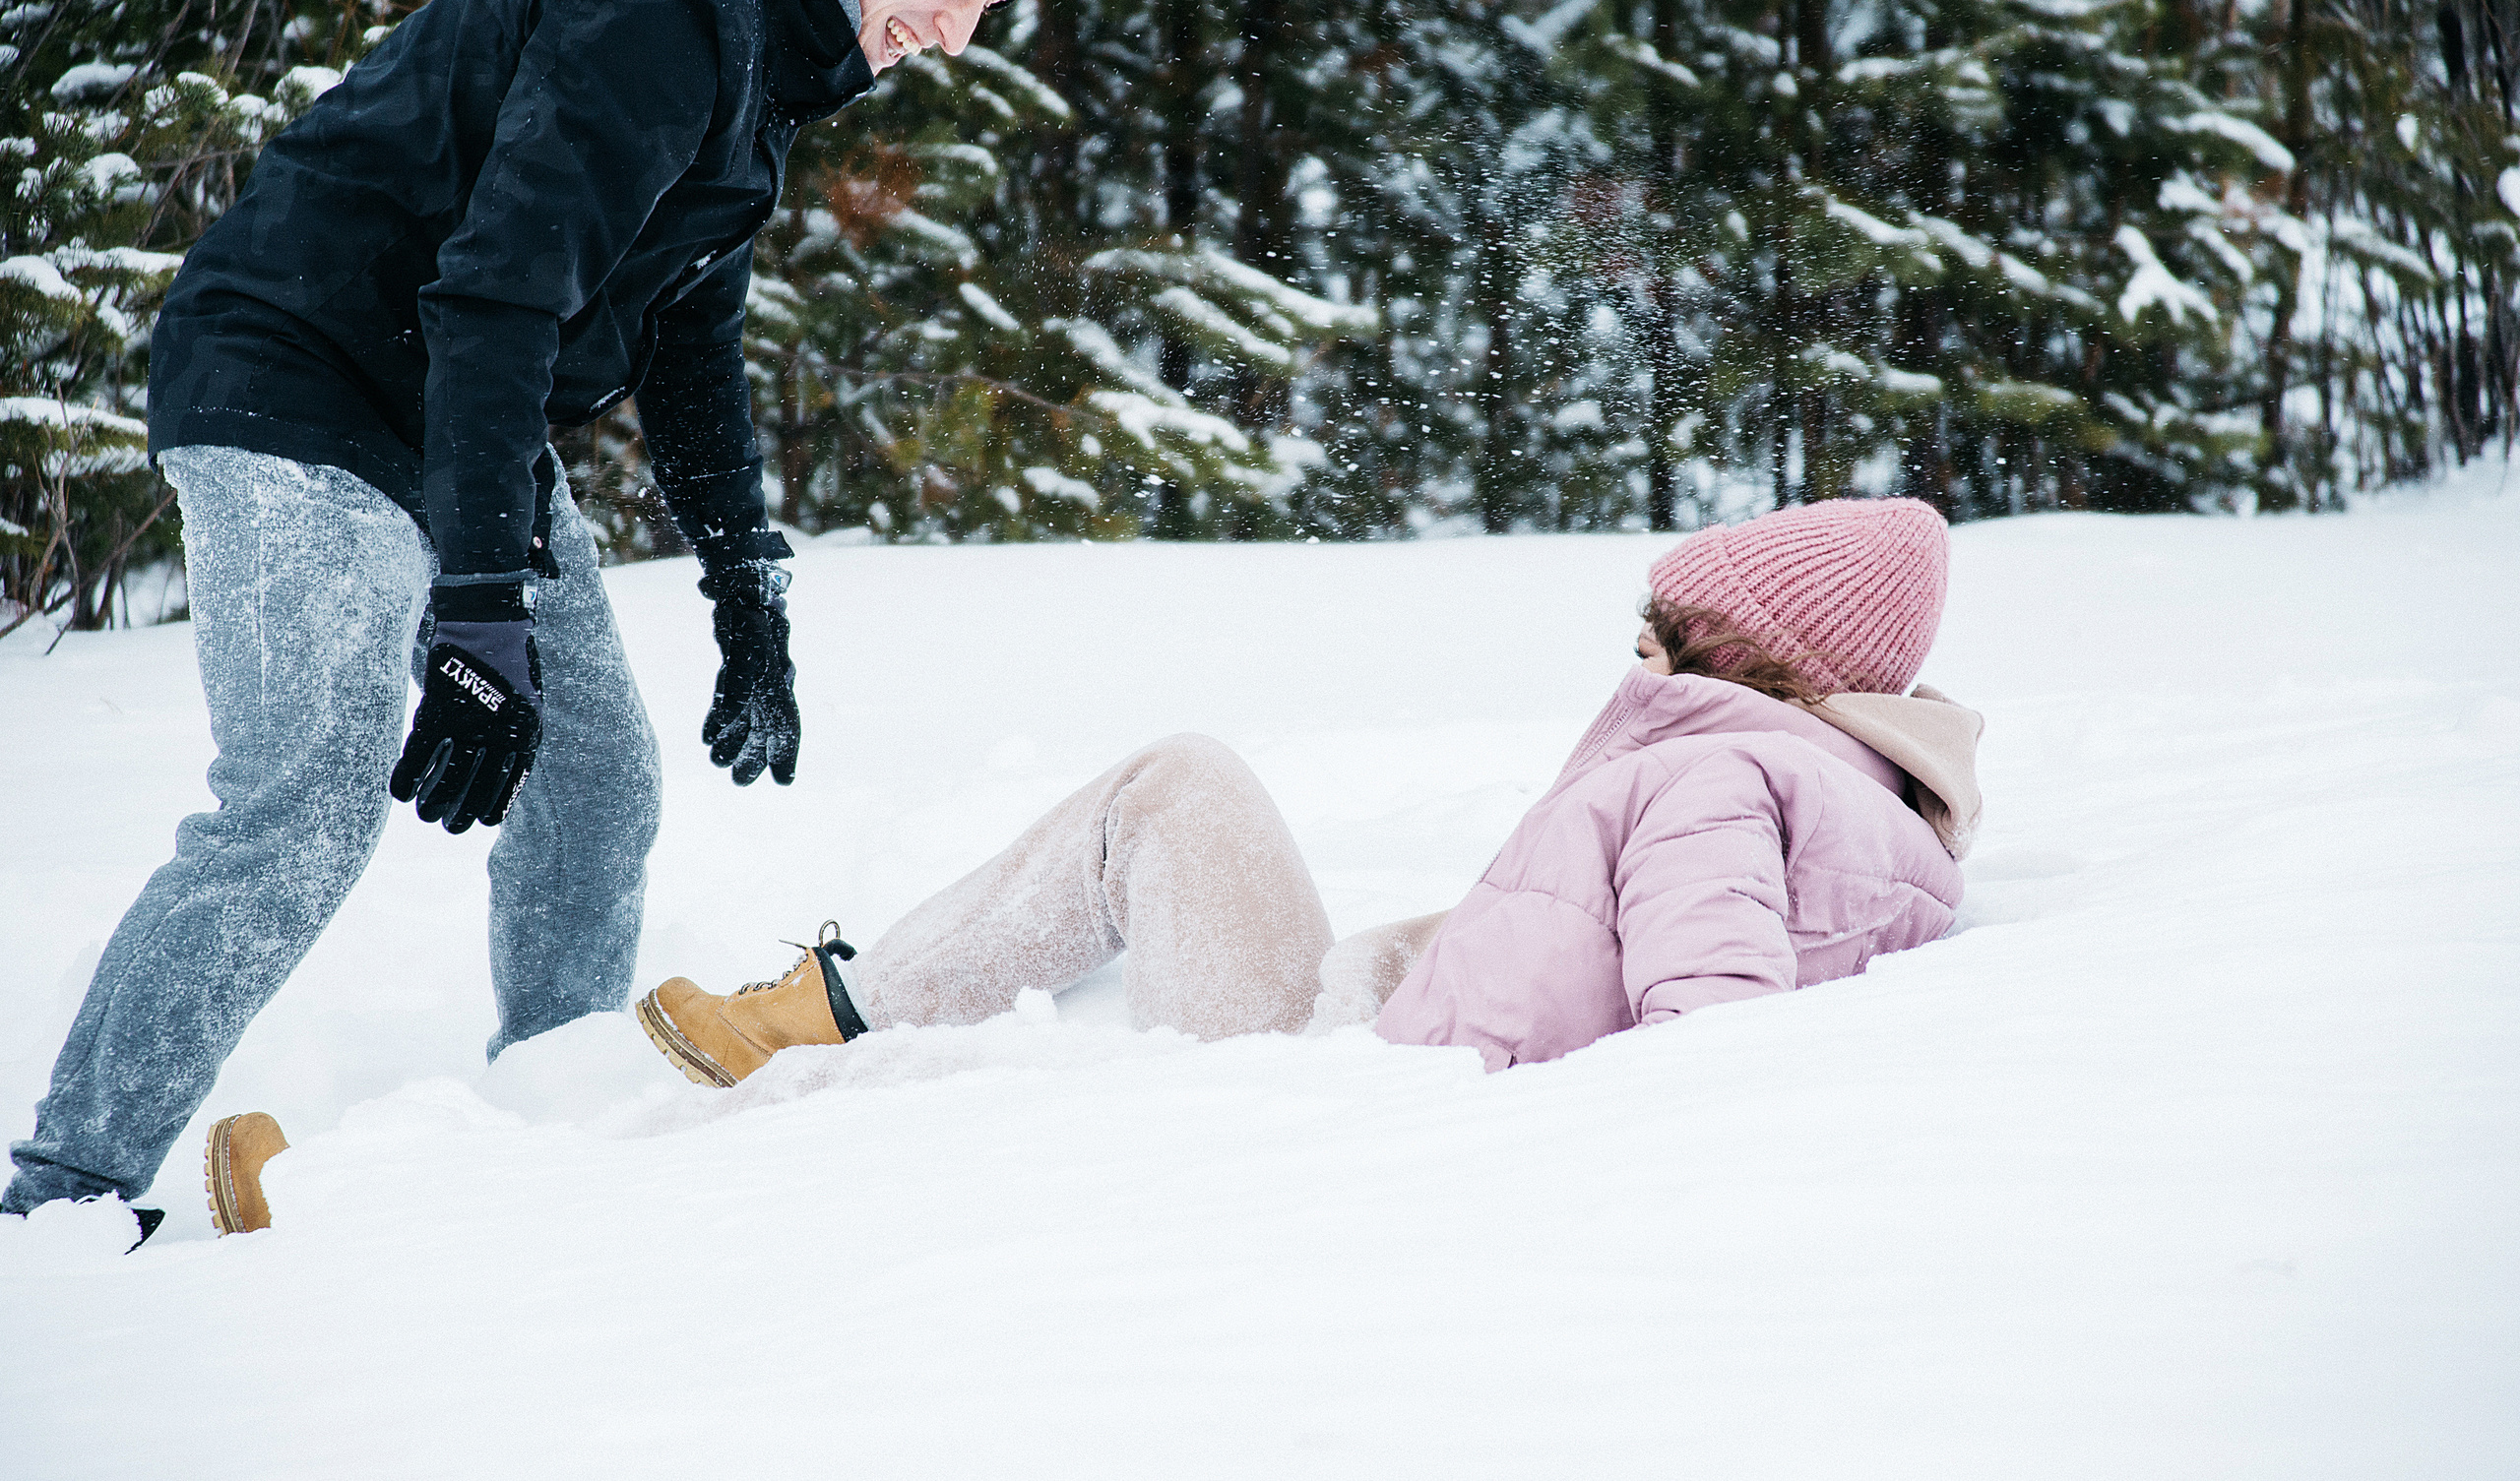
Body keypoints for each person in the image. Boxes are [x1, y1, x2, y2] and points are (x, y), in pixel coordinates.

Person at [2, 0, 1043, 1232]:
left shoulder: (761, 45)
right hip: (298, 375)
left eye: (981, 4)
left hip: (457, 397)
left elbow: (688, 336)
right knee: (310, 783)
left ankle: (547, 1117)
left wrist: (746, 585)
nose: (957, 32)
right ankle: (67, 1188)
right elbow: (496, 293)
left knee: (599, 777)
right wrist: (479, 604)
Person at [636, 498, 1984, 1089]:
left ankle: (830, 1018)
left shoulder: (1717, 780)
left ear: (1764, 660)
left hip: (1334, 1086)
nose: (1642, 634)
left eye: (1675, 619)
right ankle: (923, 993)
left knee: (1173, 787)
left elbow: (1711, 1063)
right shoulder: (1848, 794)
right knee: (1182, 797)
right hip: (1384, 1029)